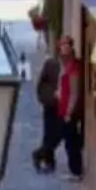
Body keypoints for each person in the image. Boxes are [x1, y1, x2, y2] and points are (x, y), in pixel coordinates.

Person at [32, 40, 65, 170]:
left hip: (64, 104)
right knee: (50, 133)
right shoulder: (51, 64)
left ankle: (41, 154)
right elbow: (42, 84)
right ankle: (48, 159)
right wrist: (51, 96)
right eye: (62, 48)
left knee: (60, 132)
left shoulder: (69, 65)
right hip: (51, 104)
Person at [57, 35, 85, 180]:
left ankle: (76, 171)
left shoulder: (73, 66)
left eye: (66, 45)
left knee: (71, 142)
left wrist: (69, 112)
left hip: (70, 112)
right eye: (62, 45)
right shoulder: (65, 64)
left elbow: (75, 92)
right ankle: (74, 170)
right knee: (69, 141)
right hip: (63, 109)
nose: (64, 47)